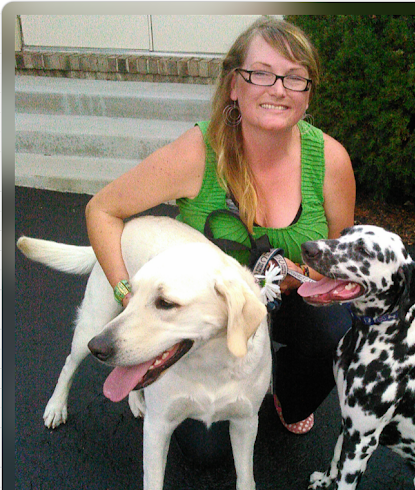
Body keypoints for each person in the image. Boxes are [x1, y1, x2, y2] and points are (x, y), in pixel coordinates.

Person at [85, 16, 355, 450]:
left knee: (340, 327)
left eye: (295, 78)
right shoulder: (196, 153)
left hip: (289, 302)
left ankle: (286, 394)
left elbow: (342, 256)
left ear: (308, 94)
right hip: (209, 314)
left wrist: (305, 276)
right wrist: (127, 294)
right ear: (234, 85)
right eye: (261, 73)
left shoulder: (331, 160)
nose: (278, 88)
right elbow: (102, 210)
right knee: (205, 449)